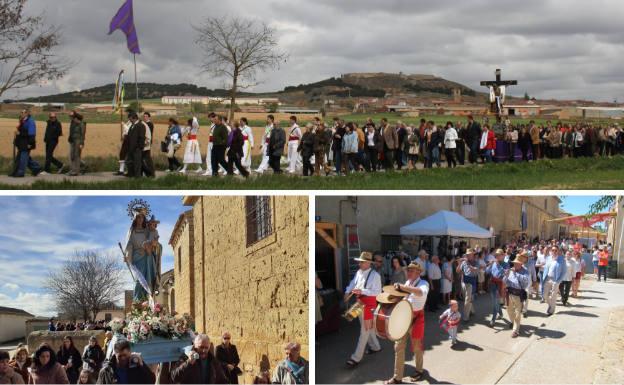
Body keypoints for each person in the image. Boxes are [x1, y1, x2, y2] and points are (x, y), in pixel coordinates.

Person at [385, 263, 429, 384]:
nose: (409, 272)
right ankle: (397, 377)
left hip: (417, 319)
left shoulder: (424, 283)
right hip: (404, 318)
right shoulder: (408, 283)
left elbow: (420, 293)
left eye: (412, 270)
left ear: (418, 273)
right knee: (398, 347)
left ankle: (419, 370)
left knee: (417, 348)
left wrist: (403, 287)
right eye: (408, 270)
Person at [345, 252, 382, 367]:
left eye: (361, 262)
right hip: (360, 302)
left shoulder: (375, 275)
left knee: (364, 330)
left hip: (369, 305)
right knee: (365, 326)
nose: (359, 264)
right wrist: (347, 291)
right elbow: (353, 283)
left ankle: (356, 358)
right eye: (359, 262)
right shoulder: (359, 272)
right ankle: (376, 346)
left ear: (367, 263)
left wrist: (362, 291)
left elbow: (377, 292)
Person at [125, 211, 157, 301]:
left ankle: (147, 301)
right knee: (139, 280)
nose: (140, 219)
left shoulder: (147, 230)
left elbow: (153, 240)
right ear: (135, 219)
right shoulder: (132, 231)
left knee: (148, 279)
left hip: (147, 256)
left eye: (142, 217)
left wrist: (152, 245)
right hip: (137, 257)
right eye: (138, 217)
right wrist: (127, 255)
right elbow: (129, 244)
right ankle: (137, 301)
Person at [503, 253, 530, 338]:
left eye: (517, 263)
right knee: (509, 310)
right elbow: (504, 281)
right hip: (509, 293)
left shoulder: (525, 272)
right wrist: (506, 275)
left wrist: (516, 274)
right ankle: (514, 322)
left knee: (518, 313)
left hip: (519, 295)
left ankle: (516, 330)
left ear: (521, 264)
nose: (515, 265)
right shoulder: (510, 270)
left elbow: (525, 283)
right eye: (514, 263)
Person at [11, 110, 41, 177]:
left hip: (27, 143)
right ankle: (36, 168)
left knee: (23, 158)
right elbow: (21, 132)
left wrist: (30, 144)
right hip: (21, 143)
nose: (21, 113)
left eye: (23, 112)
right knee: (23, 158)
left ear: (27, 113)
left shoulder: (30, 121)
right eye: (21, 112)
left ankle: (20, 172)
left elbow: (32, 134)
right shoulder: (22, 121)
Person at [542, 246, 566, 316]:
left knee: (553, 295)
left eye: (556, 250)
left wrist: (558, 281)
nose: (554, 251)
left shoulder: (562, 259)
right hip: (548, 278)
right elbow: (546, 268)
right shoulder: (549, 258)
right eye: (553, 250)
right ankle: (551, 305)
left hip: (556, 279)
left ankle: (551, 311)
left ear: (558, 251)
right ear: (551, 251)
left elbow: (564, 271)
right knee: (544, 295)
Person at [457, 249, 479, 322]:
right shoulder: (463, 263)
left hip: (471, 283)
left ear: (473, 255)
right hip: (463, 282)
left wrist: (470, 266)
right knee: (466, 299)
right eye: (467, 255)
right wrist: (459, 263)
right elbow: (457, 271)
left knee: (467, 300)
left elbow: (476, 270)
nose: (468, 256)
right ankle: (472, 311)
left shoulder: (476, 262)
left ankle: (465, 317)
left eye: (469, 254)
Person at [485, 249, 506, 327]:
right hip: (492, 284)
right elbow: (487, 272)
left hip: (500, 285)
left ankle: (493, 319)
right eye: (496, 255)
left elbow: (505, 273)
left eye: (499, 255)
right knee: (495, 301)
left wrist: (498, 265)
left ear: (503, 256)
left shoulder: (505, 264)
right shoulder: (493, 263)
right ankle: (500, 313)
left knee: (495, 302)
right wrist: (489, 265)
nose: (497, 256)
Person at [124, 112, 146, 178]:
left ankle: (137, 176)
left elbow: (142, 137)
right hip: (130, 148)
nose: (129, 120)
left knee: (137, 163)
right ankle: (130, 174)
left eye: (130, 118)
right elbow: (130, 135)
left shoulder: (141, 126)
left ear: (134, 118)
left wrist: (139, 147)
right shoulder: (132, 125)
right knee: (129, 161)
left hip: (137, 148)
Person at [140, 112, 155, 177]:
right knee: (145, 157)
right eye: (144, 116)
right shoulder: (145, 123)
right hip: (145, 142)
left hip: (147, 142)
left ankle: (150, 171)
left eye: (146, 116)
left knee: (147, 158)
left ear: (149, 117)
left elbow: (149, 134)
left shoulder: (150, 124)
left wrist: (147, 142)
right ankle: (146, 171)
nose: (144, 117)